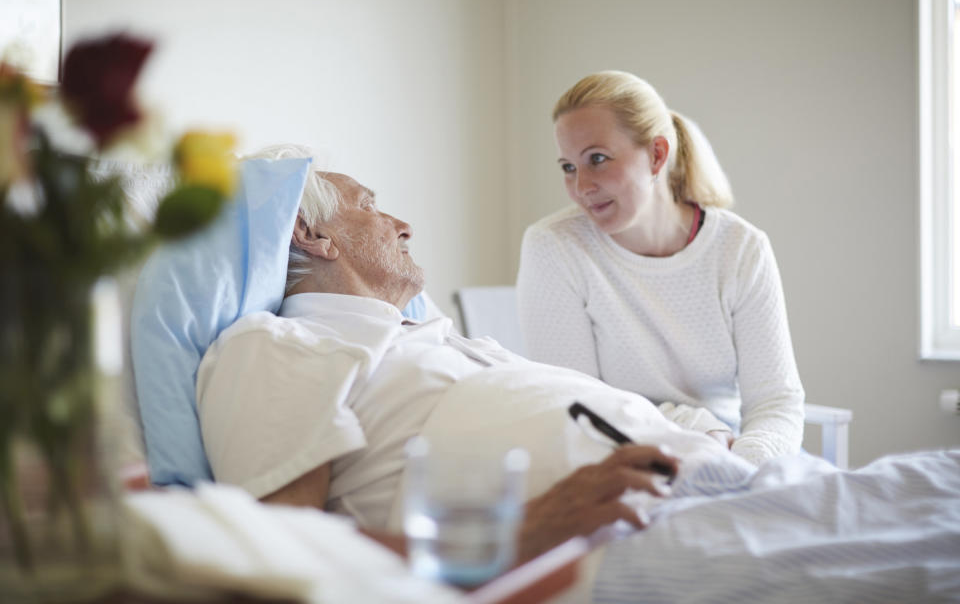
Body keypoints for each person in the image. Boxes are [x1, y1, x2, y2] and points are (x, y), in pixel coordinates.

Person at [195, 145, 741, 563]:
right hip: (625, 543)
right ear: (310, 234)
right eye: (369, 206)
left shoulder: (437, 341)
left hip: (713, 485)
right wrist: (512, 534)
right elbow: (283, 555)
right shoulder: (278, 344)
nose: (403, 226)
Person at [517, 71, 804, 466]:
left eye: (597, 160)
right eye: (568, 167)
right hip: (619, 458)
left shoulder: (741, 249)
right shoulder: (554, 246)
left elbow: (776, 400)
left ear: (656, 154)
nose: (581, 186)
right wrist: (701, 430)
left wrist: (746, 468)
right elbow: (579, 401)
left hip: (735, 455)